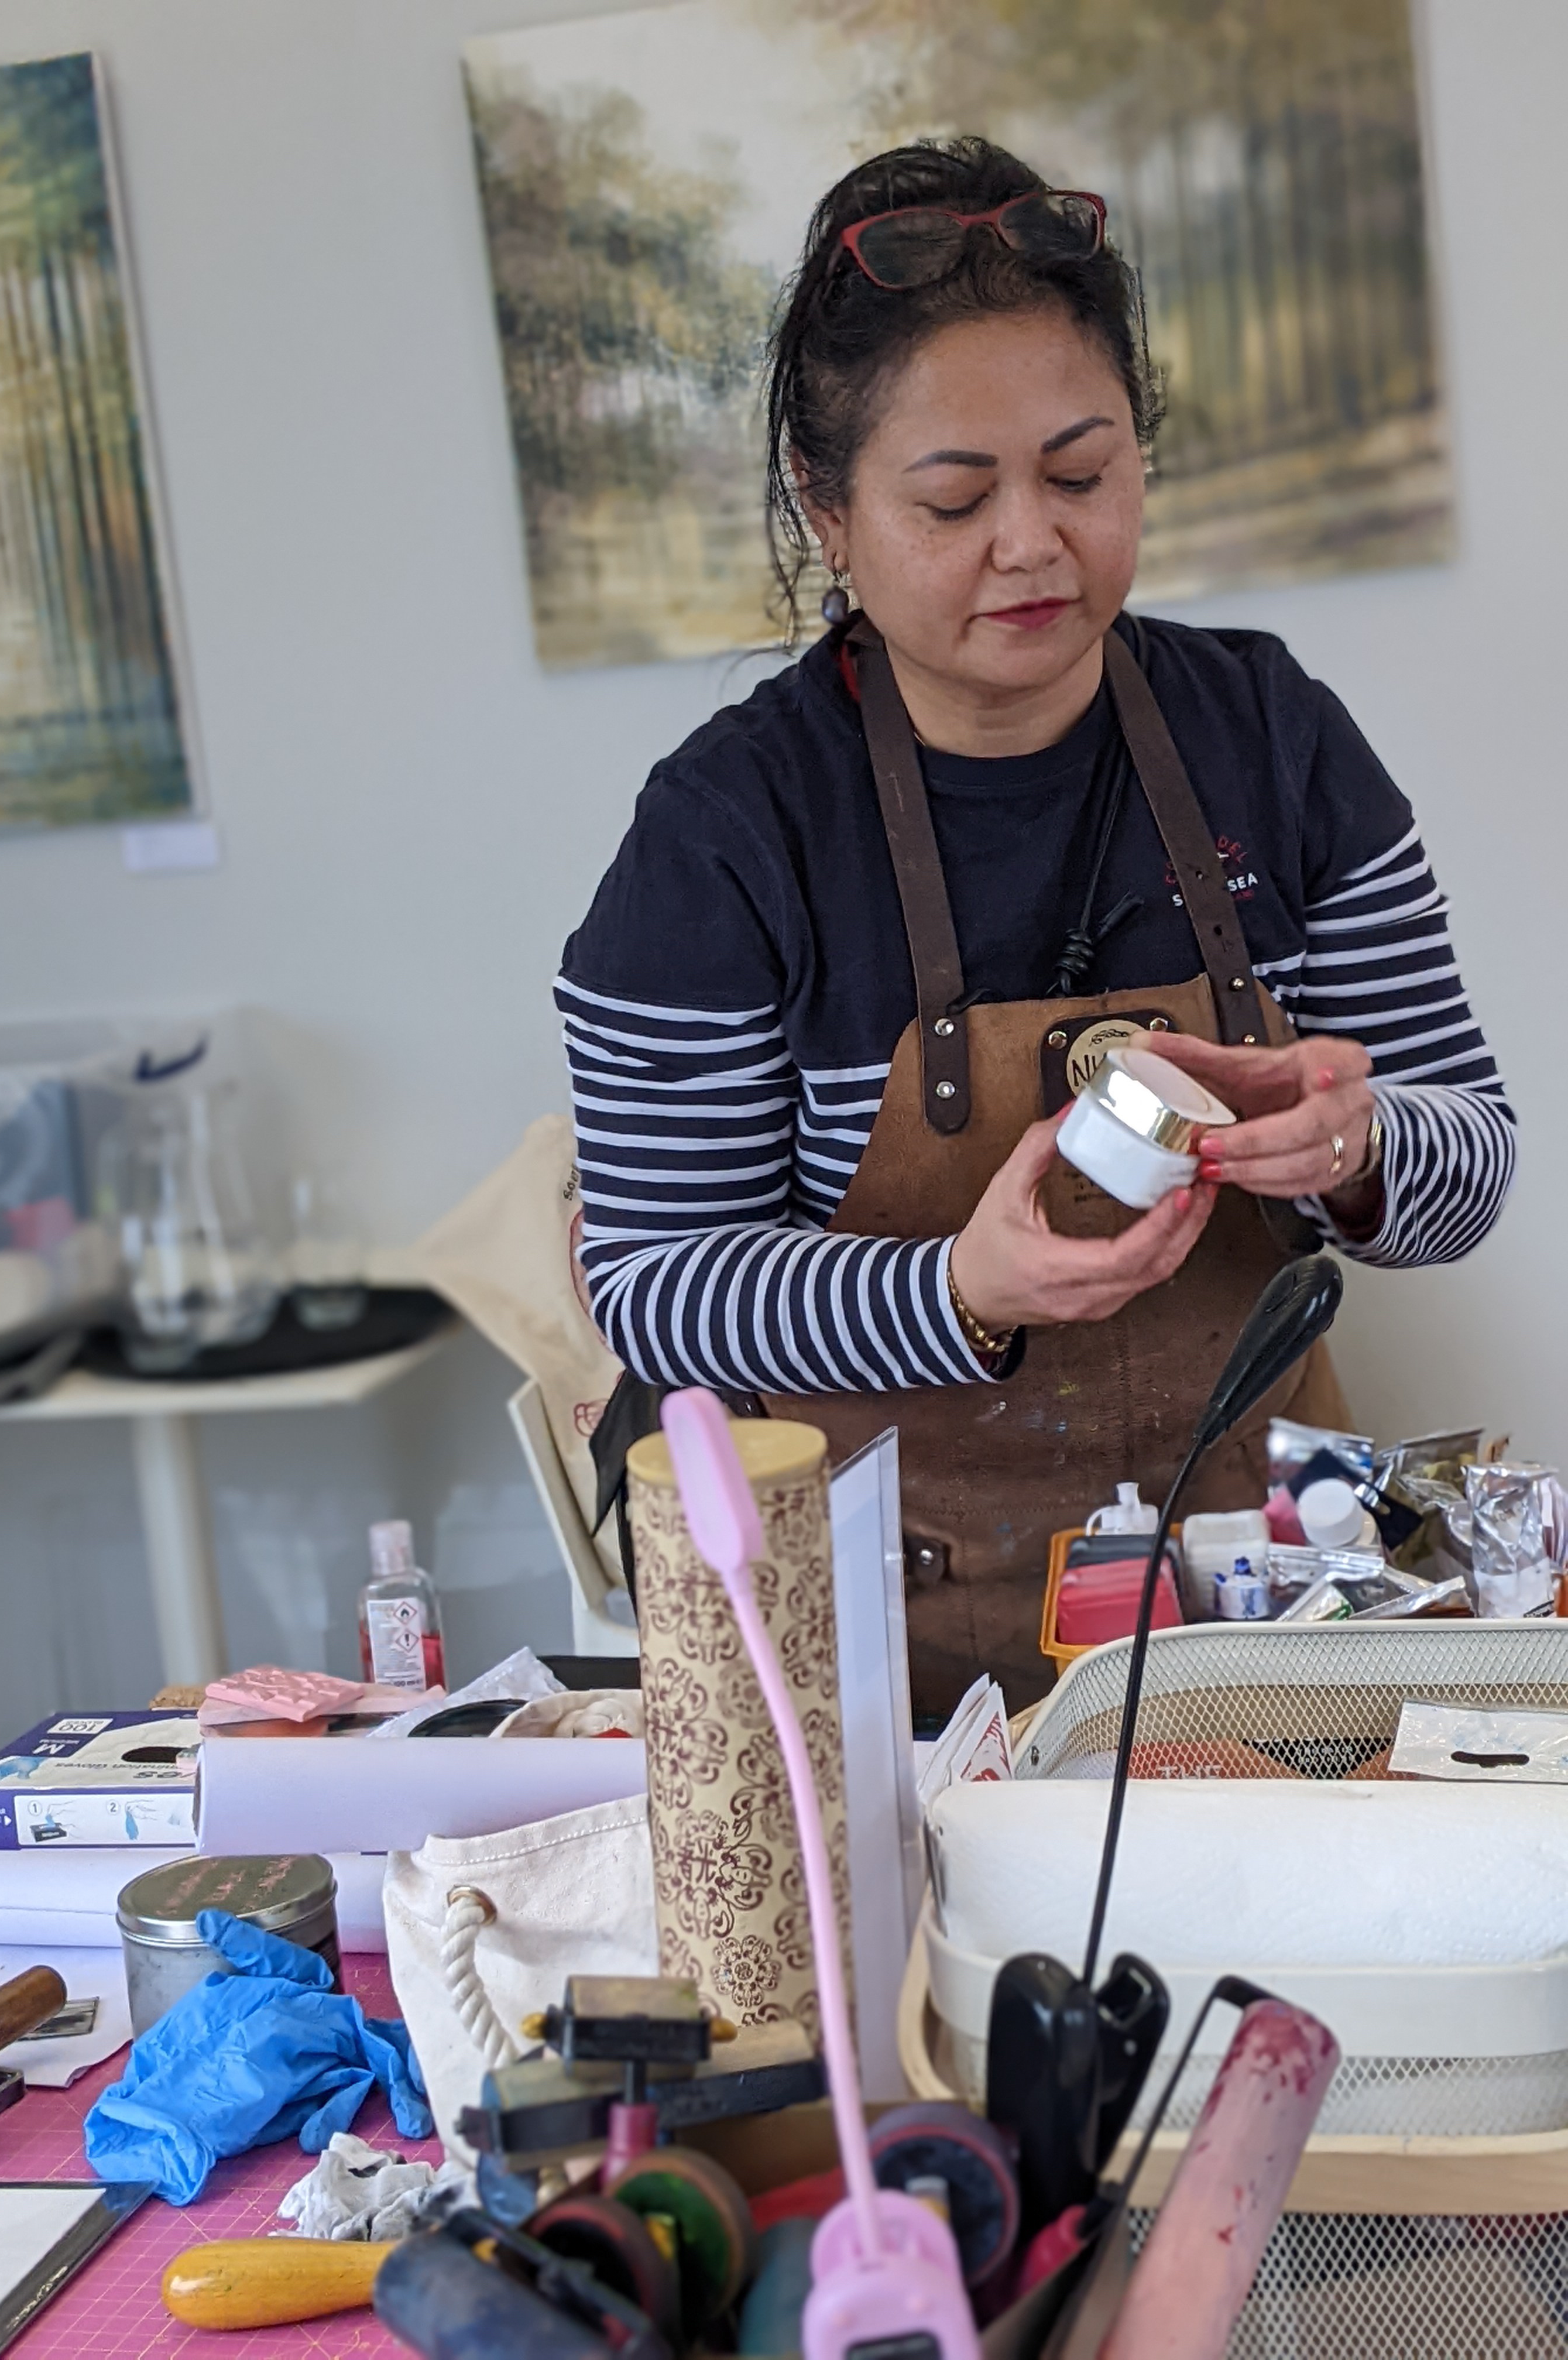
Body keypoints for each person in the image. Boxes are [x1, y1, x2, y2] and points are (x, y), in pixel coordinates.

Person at [558, 138, 1514, 1712]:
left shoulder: (1272, 737)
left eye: (1082, 474)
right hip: (886, 1656)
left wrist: (1358, 1147)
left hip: (1253, 1613)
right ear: (828, 510)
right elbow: (657, 1282)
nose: (1032, 542)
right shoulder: (728, 830)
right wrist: (956, 1291)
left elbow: (1470, 1160)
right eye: (954, 497)